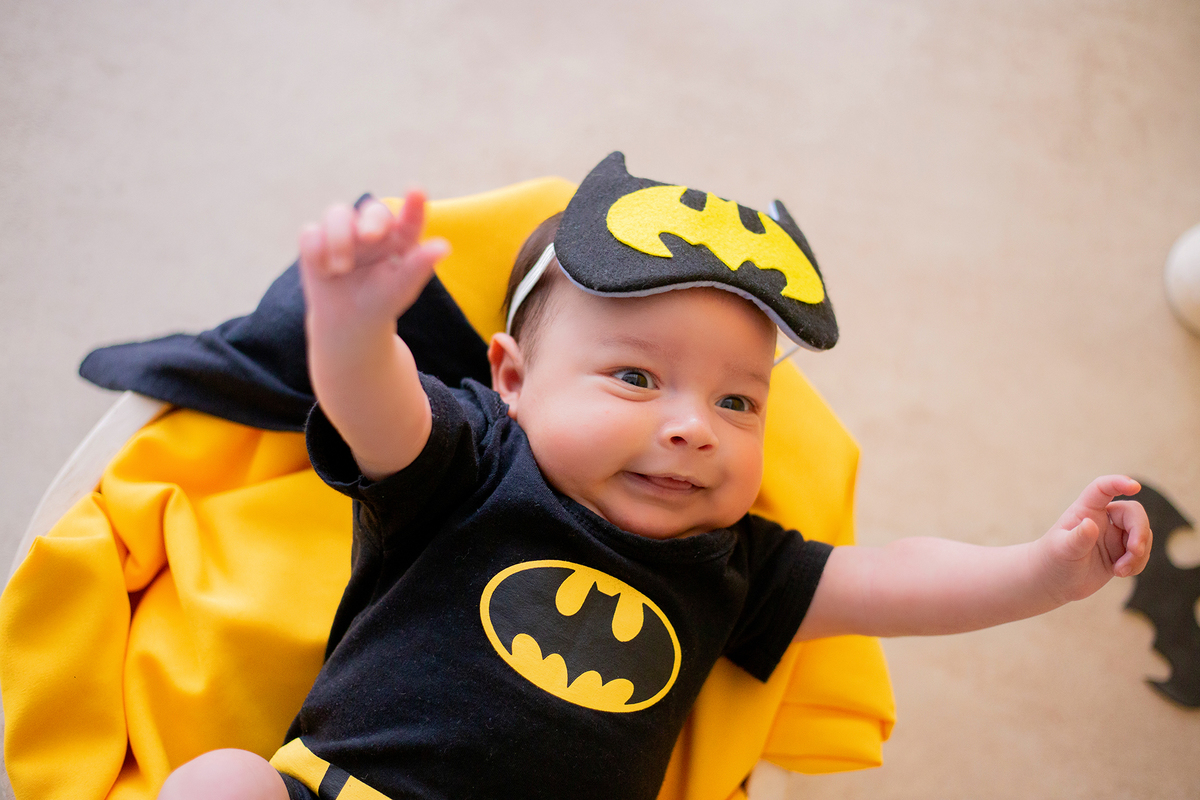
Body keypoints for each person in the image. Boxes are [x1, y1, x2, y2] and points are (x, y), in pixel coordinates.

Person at [158, 158, 1151, 800]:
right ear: (511, 378)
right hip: (343, 793)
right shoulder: (466, 465)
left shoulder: (734, 564)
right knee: (220, 783)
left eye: (739, 402)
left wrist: (1045, 571)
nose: (691, 428)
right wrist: (352, 321)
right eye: (635, 377)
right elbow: (373, 406)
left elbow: (896, 576)